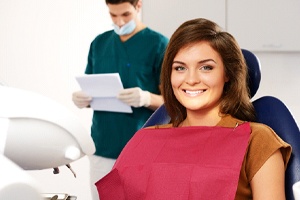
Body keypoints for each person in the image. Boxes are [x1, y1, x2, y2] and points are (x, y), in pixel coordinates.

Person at [95, 18, 292, 199]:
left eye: (206, 67)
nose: (191, 80)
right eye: (180, 68)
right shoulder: (144, 140)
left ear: (227, 74)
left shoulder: (257, 141)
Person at [72, 0, 168, 199]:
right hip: (103, 144)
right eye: (113, 15)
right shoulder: (99, 43)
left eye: (125, 14)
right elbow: (93, 86)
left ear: (138, 6)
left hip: (141, 147)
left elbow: (172, 103)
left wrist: (146, 97)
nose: (120, 22)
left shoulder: (158, 44)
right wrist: (84, 99)